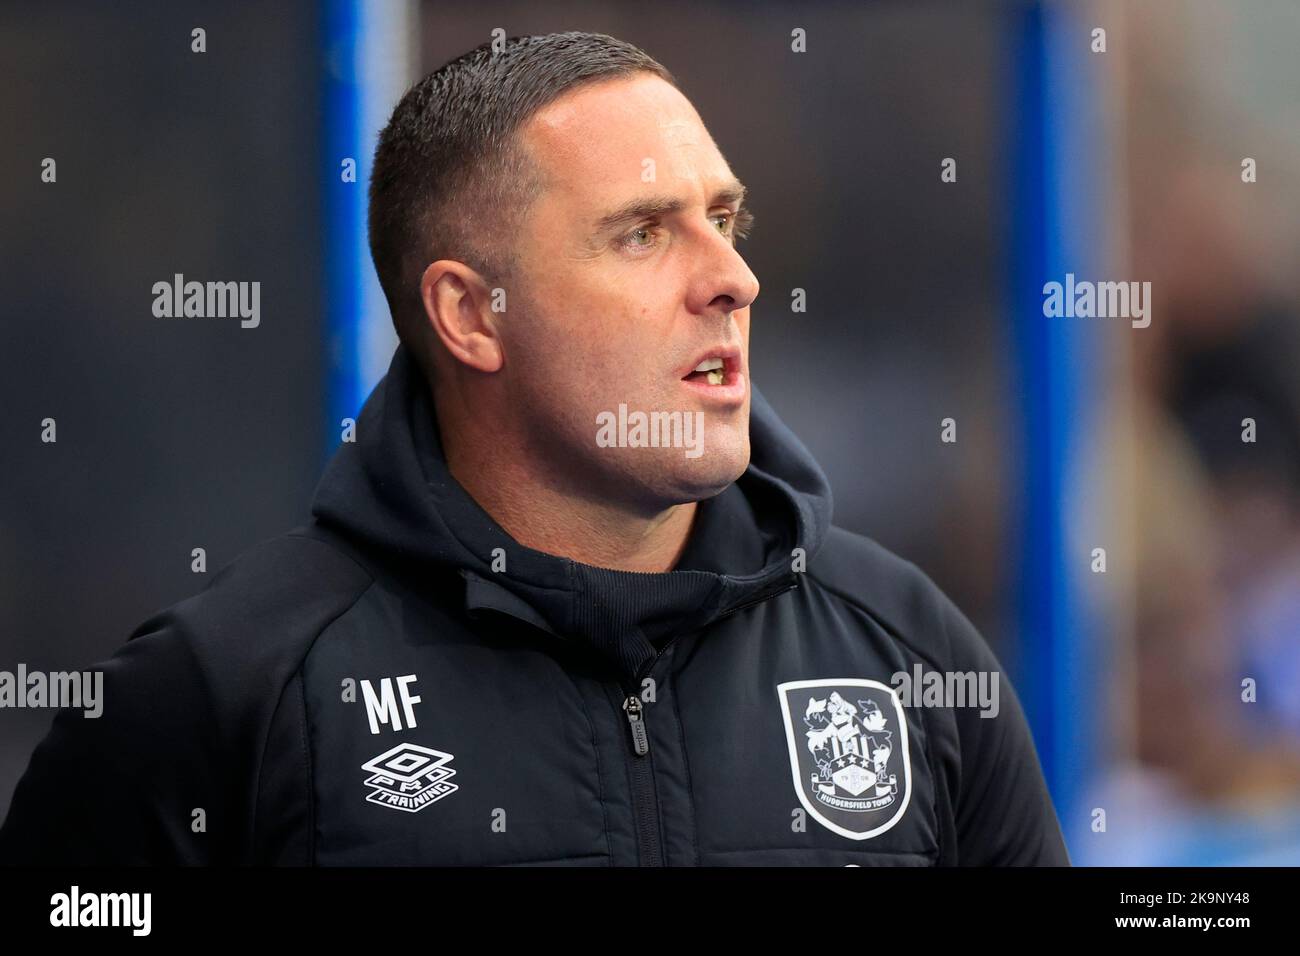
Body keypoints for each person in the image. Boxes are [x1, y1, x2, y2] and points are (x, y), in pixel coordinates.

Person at [0, 31, 1068, 866]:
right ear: (470, 315)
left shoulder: (908, 651)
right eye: (643, 232)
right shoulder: (224, 691)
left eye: (724, 219)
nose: (733, 279)